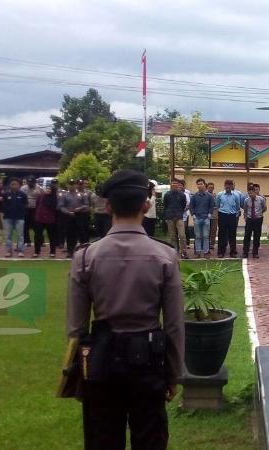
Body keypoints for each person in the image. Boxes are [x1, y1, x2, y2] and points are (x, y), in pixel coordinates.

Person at [67, 169, 184, 450]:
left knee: (103, 439)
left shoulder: (86, 256)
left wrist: (76, 371)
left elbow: (76, 328)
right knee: (150, 439)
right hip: (148, 362)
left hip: (100, 363)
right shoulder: (164, 255)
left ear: (107, 206)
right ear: (146, 204)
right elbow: (174, 324)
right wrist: (174, 373)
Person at [60, 180, 90, 258]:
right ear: (67, 186)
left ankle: (84, 251)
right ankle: (70, 251)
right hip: (69, 216)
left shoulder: (81, 194)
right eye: (70, 185)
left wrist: (80, 208)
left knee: (82, 233)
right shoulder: (64, 195)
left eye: (73, 184)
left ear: (76, 185)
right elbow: (61, 206)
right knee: (70, 234)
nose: (72, 186)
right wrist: (67, 212)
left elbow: (86, 205)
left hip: (80, 216)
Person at [2, 178, 29, 257]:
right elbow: (3, 205)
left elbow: (26, 205)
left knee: (20, 235)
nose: (13, 185)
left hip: (19, 217)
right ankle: (9, 251)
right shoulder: (6, 194)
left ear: (19, 185)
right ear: (9, 185)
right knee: (8, 235)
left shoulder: (23, 194)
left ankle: (20, 251)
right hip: (8, 217)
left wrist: (22, 211)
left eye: (15, 184)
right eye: (12, 184)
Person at [216, 179, 241, 258]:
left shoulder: (236, 195)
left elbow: (238, 206)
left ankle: (233, 252)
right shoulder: (220, 195)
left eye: (230, 185)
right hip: (222, 215)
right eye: (227, 184)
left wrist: (234, 213)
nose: (228, 186)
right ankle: (221, 252)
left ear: (232, 186)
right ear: (224, 185)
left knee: (232, 234)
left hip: (232, 216)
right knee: (221, 234)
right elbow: (217, 205)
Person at [163, 179, 188, 258]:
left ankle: (184, 252)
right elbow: (165, 205)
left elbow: (183, 206)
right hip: (170, 217)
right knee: (172, 236)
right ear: (170, 184)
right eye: (173, 183)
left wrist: (178, 213)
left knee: (182, 235)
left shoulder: (182, 195)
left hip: (179, 217)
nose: (174, 185)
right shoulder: (167, 194)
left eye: (176, 183)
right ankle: (173, 252)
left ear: (178, 185)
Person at [34, 179, 59, 258]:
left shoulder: (54, 198)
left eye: (49, 189)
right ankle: (36, 252)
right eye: (47, 188)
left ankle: (52, 252)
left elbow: (54, 208)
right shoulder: (41, 196)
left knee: (51, 236)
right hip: (39, 218)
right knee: (38, 235)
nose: (47, 190)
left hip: (50, 219)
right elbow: (37, 205)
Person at [190, 178, 214, 258]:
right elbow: (191, 206)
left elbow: (211, 206)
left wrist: (210, 214)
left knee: (206, 236)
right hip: (197, 218)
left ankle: (206, 252)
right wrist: (193, 215)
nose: (200, 185)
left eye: (201, 184)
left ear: (204, 184)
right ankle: (198, 252)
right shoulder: (194, 196)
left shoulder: (209, 196)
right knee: (197, 236)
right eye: (198, 184)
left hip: (206, 218)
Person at [242, 184, 266, 258]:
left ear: (255, 192)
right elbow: (245, 210)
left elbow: (264, 207)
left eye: (252, 192)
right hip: (249, 219)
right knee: (247, 236)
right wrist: (246, 217)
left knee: (257, 236)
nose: (250, 194)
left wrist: (259, 213)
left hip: (258, 219)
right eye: (249, 193)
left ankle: (255, 252)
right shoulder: (246, 200)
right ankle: (245, 252)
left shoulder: (261, 199)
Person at [21, 176, 43, 248]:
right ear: (27, 182)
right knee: (25, 226)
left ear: (35, 182)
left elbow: (42, 198)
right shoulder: (23, 188)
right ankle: (27, 241)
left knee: (37, 226)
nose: (30, 184)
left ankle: (40, 241)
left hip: (35, 209)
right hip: (26, 209)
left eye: (32, 182)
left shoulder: (39, 188)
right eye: (29, 182)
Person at [207, 181, 218, 253]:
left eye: (212, 187)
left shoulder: (216, 195)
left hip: (214, 216)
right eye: (209, 187)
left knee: (213, 231)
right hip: (207, 216)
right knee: (207, 231)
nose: (211, 188)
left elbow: (217, 205)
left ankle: (212, 244)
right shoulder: (205, 195)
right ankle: (206, 244)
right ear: (207, 188)